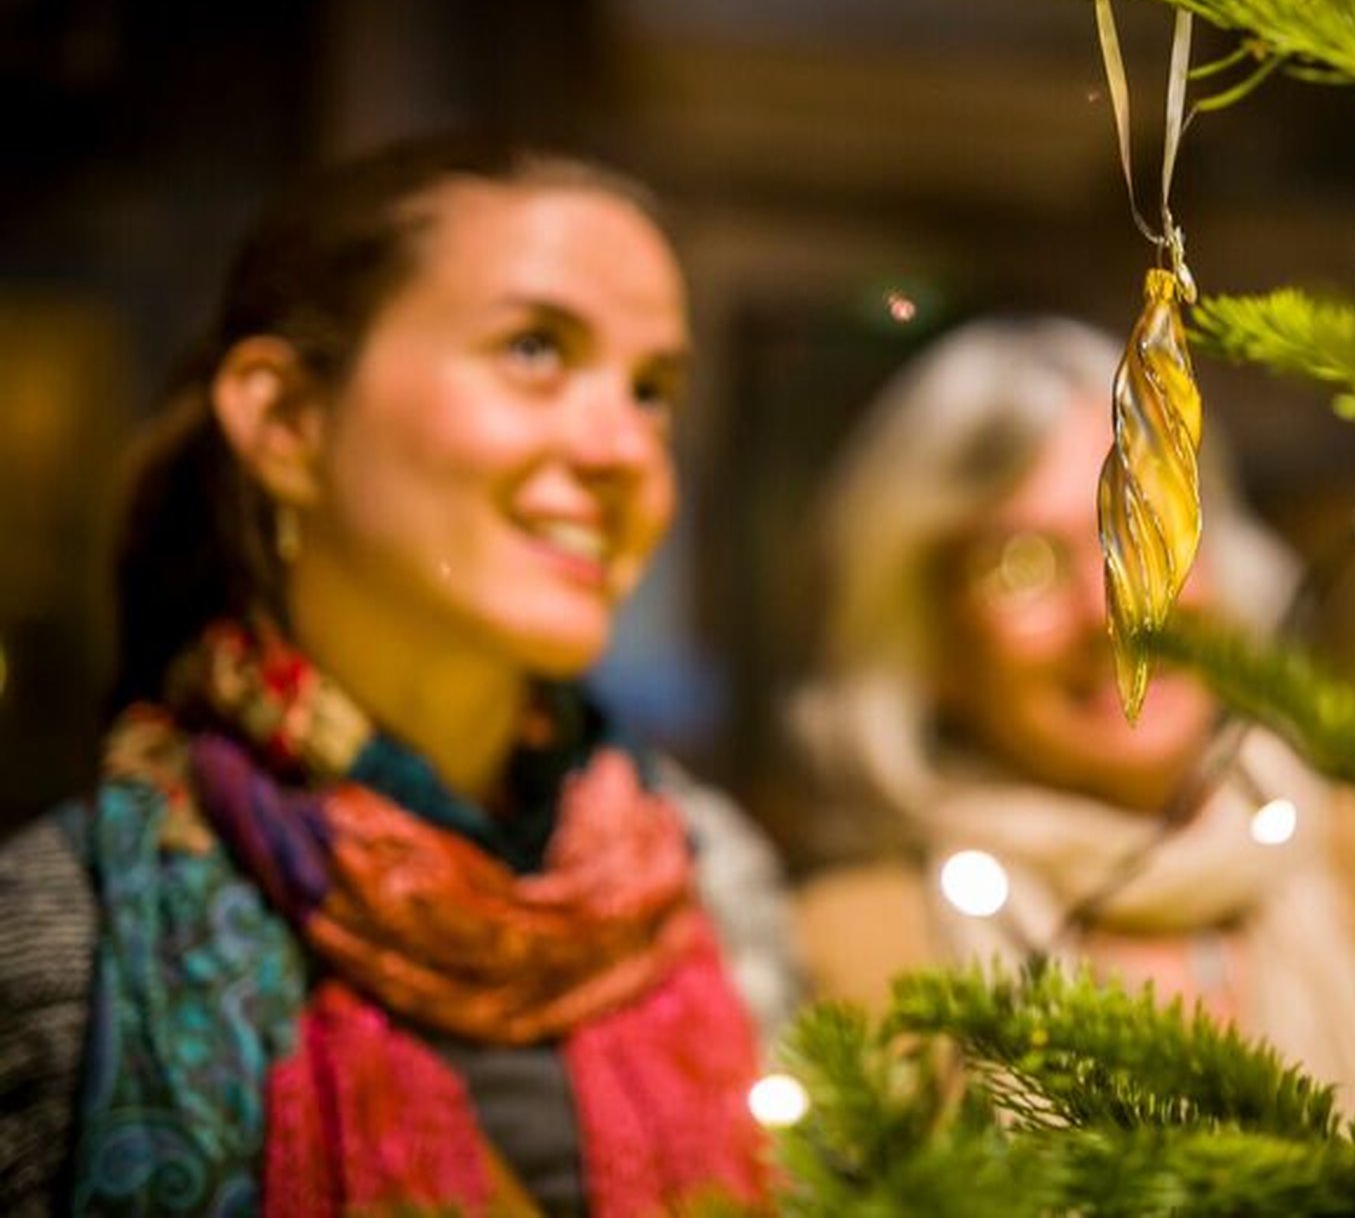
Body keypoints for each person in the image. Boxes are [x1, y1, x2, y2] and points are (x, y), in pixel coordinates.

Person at [0, 137, 796, 1216]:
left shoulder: (709, 889)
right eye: (533, 349)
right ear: (286, 420)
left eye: (651, 390)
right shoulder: (64, 934)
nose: (624, 450)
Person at [791, 315, 1355, 1111]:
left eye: (1150, 531)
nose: (1114, 610)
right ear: (930, 643)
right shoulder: (853, 956)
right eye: (1024, 564)